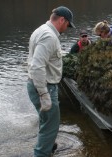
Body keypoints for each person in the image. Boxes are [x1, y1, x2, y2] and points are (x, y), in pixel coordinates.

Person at [26, 6, 75, 157]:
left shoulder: (41, 30)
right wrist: (44, 94)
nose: (67, 28)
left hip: (35, 84)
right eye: (67, 24)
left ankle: (49, 146)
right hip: (44, 87)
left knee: (45, 121)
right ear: (62, 20)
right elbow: (37, 66)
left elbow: (43, 59)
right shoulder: (49, 36)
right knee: (51, 126)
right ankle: (41, 153)